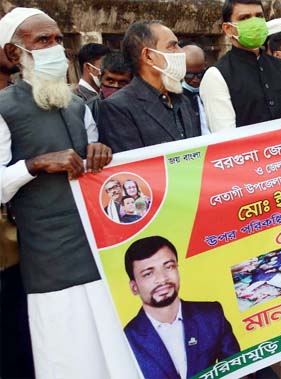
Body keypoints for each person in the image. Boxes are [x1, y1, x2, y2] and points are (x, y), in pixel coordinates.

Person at [0, 7, 138, 378]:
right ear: (16, 53)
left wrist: (101, 151)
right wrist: (34, 165)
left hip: (97, 245)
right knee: (67, 353)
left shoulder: (78, 105)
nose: (55, 47)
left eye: (58, 39)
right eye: (42, 40)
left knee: (113, 346)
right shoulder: (4, 109)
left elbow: (96, 159)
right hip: (50, 256)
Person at [124, 236, 241, 379]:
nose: (162, 279)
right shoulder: (126, 339)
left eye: (169, 267)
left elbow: (238, 369)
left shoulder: (211, 315)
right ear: (134, 287)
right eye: (148, 274)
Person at [199, 0, 281, 132]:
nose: (255, 23)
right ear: (228, 29)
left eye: (259, 16)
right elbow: (225, 138)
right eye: (244, 18)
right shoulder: (216, 76)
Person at [98, 20, 201, 153]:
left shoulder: (183, 101)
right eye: (172, 46)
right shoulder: (118, 108)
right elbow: (135, 168)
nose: (181, 52)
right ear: (148, 56)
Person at [86, 51, 133, 121]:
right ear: (100, 79)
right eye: (110, 81)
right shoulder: (89, 110)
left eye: (122, 82)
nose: (116, 86)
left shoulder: (140, 108)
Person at [180, 42, 210, 135]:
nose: (196, 79)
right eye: (189, 75)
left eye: (200, 74)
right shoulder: (177, 97)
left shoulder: (211, 90)